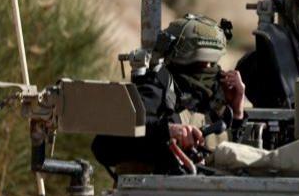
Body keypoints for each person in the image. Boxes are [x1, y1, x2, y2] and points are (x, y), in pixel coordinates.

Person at [92, 14, 247, 175]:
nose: (209, 70)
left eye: (212, 64)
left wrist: (237, 113)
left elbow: (234, 159)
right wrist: (166, 131)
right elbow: (104, 146)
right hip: (155, 195)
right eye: (201, 64)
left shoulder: (215, 98)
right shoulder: (157, 90)